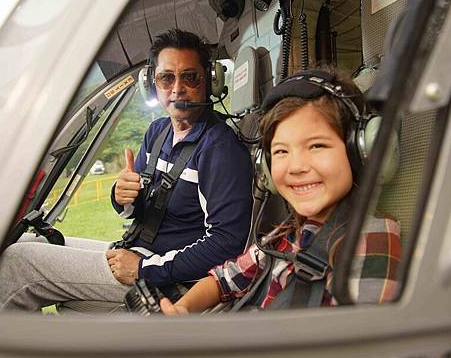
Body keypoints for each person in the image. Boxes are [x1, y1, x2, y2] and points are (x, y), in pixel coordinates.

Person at [0, 29, 253, 311]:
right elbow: (137, 210)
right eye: (166, 78)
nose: (177, 88)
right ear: (152, 85)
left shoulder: (220, 148)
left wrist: (144, 268)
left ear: (210, 81)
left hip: (169, 278)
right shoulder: (158, 132)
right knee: (30, 239)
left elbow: (227, 244)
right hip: (137, 253)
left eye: (190, 77)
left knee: (15, 263)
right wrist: (122, 196)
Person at [160, 68, 402, 315]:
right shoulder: (285, 235)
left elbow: (365, 339)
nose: (296, 167)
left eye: (317, 145)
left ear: (359, 151)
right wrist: (183, 308)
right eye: (281, 152)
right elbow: (224, 280)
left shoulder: (371, 235)